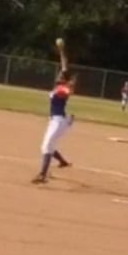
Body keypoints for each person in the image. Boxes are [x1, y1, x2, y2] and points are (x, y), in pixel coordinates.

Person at [33, 39, 75, 184]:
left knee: (47, 145)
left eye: (60, 75)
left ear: (63, 79)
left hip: (59, 121)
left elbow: (68, 91)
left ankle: (42, 175)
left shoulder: (63, 88)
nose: (58, 75)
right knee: (48, 145)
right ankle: (62, 162)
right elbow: (64, 64)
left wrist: (69, 87)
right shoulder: (59, 86)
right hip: (56, 120)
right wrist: (61, 50)